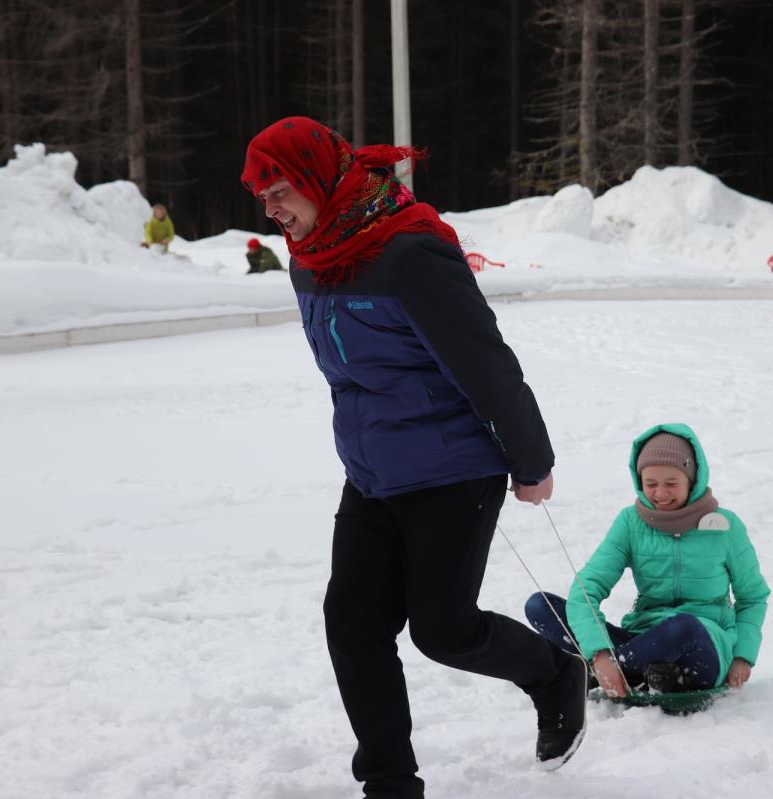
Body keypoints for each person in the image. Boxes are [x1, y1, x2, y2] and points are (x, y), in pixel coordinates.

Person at [241, 116, 586, 798]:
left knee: (443, 629)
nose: (273, 207)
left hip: (454, 470)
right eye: (263, 197)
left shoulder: (408, 252)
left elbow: (485, 364)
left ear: (317, 178)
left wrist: (531, 460)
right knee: (352, 623)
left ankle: (552, 671)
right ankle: (390, 783)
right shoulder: (309, 257)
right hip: (372, 473)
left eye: (280, 189)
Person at [524, 424, 770, 699]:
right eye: (651, 484)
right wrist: (600, 653)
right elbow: (587, 587)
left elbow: (752, 597)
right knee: (540, 606)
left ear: (693, 479)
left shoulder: (726, 527)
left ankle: (599, 674)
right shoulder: (631, 523)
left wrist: (743, 656)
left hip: (703, 645)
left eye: (671, 484)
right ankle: (646, 673)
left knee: (683, 626)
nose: (661, 494)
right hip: (643, 640)